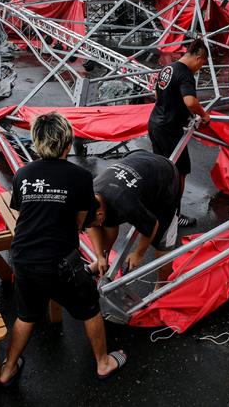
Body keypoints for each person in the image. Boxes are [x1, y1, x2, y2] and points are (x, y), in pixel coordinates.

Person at [0, 112, 126, 386]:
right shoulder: (79, 176)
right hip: (60, 262)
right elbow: (80, 222)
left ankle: (8, 369)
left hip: (22, 257)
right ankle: (103, 363)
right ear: (67, 144)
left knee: (26, 314)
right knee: (90, 309)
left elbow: (25, 213)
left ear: (36, 143)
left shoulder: (23, 173)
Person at [88, 150, 180, 282]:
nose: (95, 226)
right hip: (137, 159)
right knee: (106, 222)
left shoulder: (126, 205)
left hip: (166, 176)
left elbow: (153, 225)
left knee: (162, 242)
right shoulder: (90, 195)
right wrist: (100, 256)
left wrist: (138, 254)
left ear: (99, 213)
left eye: (94, 223)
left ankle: (161, 286)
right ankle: (102, 262)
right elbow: (96, 226)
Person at [147, 39, 210, 227]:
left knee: (162, 169)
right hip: (169, 130)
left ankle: (157, 208)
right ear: (199, 58)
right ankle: (174, 215)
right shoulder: (185, 74)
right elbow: (190, 101)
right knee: (178, 173)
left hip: (155, 123)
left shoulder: (168, 68)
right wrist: (203, 114)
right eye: (202, 64)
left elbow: (158, 95)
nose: (199, 69)